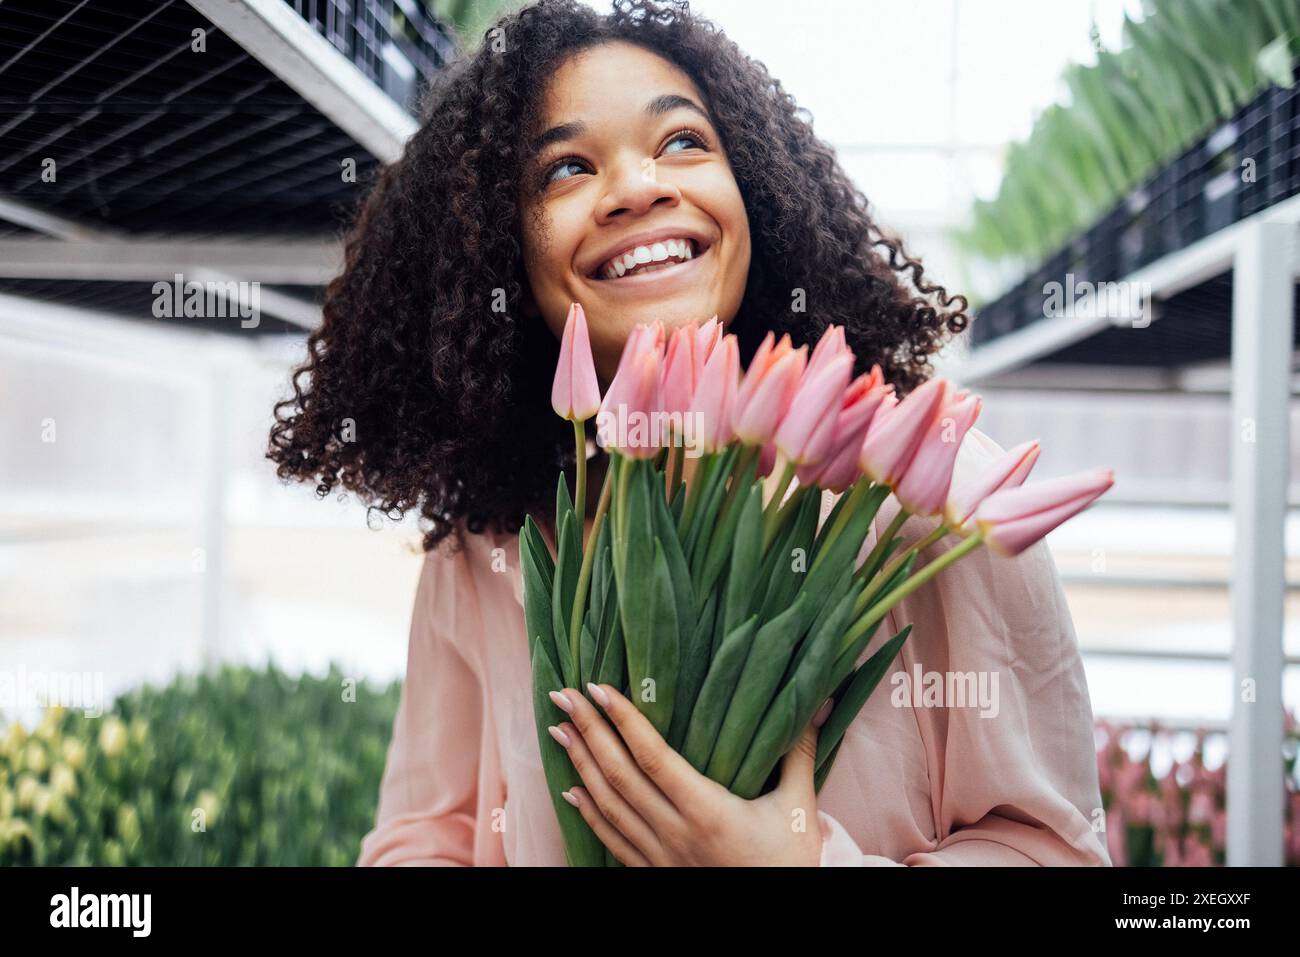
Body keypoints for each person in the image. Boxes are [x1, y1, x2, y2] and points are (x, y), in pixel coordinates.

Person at [267, 0, 1109, 866]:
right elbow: (421, 836)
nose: (637, 187)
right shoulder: (489, 538)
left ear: (759, 195)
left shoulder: (930, 489)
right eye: (563, 169)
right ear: (497, 253)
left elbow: (1054, 850)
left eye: (682, 143)